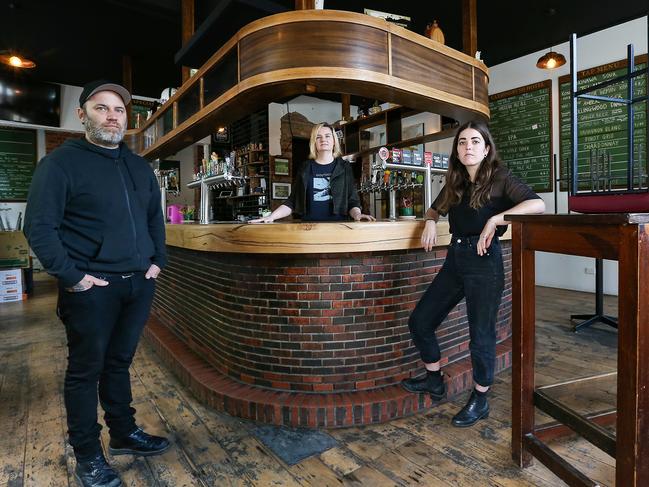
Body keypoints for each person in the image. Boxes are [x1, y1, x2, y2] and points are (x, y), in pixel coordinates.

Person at [24, 80, 169, 487]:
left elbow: (153, 219)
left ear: (127, 117)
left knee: (119, 363)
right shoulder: (59, 164)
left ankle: (123, 433)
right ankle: (88, 454)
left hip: (138, 284)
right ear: (82, 115)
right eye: (101, 108)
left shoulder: (139, 166)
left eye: (119, 109)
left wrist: (158, 260)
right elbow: (38, 227)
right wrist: (71, 276)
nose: (111, 116)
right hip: (91, 287)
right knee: (85, 372)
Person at [401, 120, 545, 427]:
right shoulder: (455, 183)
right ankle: (434, 379)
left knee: (480, 337)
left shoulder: (501, 178)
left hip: (485, 262)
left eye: (475, 141)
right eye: (463, 142)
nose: (469, 147)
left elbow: (537, 204)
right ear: (457, 150)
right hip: (456, 259)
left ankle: (480, 398)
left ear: (487, 148)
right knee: (421, 320)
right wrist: (429, 220)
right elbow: (434, 209)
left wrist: (496, 219)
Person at [249, 122, 375, 223]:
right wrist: (271, 217)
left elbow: (352, 200)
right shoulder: (305, 167)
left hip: (339, 227)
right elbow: (292, 201)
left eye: (327, 136)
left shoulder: (344, 167)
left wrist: (357, 214)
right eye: (318, 137)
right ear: (314, 142)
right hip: (309, 228)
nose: (323, 140)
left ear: (334, 141)